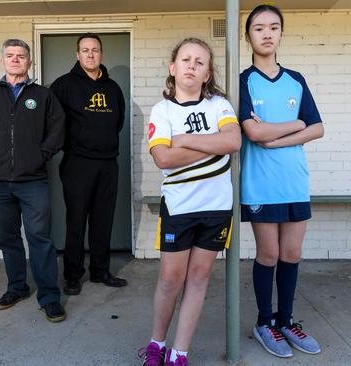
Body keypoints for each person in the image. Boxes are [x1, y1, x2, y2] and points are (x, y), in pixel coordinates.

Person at [140, 38, 241, 366]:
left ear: (207, 73)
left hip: (216, 208)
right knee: (170, 280)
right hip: (180, 208)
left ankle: (179, 354)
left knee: (198, 279)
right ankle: (157, 346)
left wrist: (184, 139)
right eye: (185, 59)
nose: (191, 65)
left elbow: (233, 140)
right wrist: (213, 144)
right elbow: (163, 158)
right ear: (173, 68)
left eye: (199, 62)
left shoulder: (220, 105)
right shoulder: (162, 109)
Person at [240, 4, 325, 358]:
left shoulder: (296, 80)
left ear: (281, 34)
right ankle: (264, 322)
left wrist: (275, 137)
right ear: (248, 36)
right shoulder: (244, 80)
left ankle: (286, 321)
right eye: (259, 28)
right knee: (269, 253)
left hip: (294, 181)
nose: (267, 33)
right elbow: (253, 131)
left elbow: (318, 127)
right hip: (260, 183)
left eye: (274, 27)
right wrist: (294, 124)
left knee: (292, 253)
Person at [0, 39, 66, 323]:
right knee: (7, 239)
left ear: (29, 61)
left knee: (40, 239)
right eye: (10, 55)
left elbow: (57, 130)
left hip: (33, 182)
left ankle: (49, 297)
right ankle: (17, 288)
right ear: (3, 60)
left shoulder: (43, 96)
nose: (16, 60)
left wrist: (39, 155)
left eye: (21, 56)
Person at [50, 33, 127, 295]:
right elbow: (52, 123)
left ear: (101, 54)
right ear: (78, 55)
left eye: (95, 50)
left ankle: (100, 270)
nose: (90, 54)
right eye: (85, 50)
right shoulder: (63, 85)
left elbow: (118, 123)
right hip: (77, 163)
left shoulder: (113, 88)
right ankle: (72, 274)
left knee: (103, 219)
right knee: (76, 220)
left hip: (107, 163)